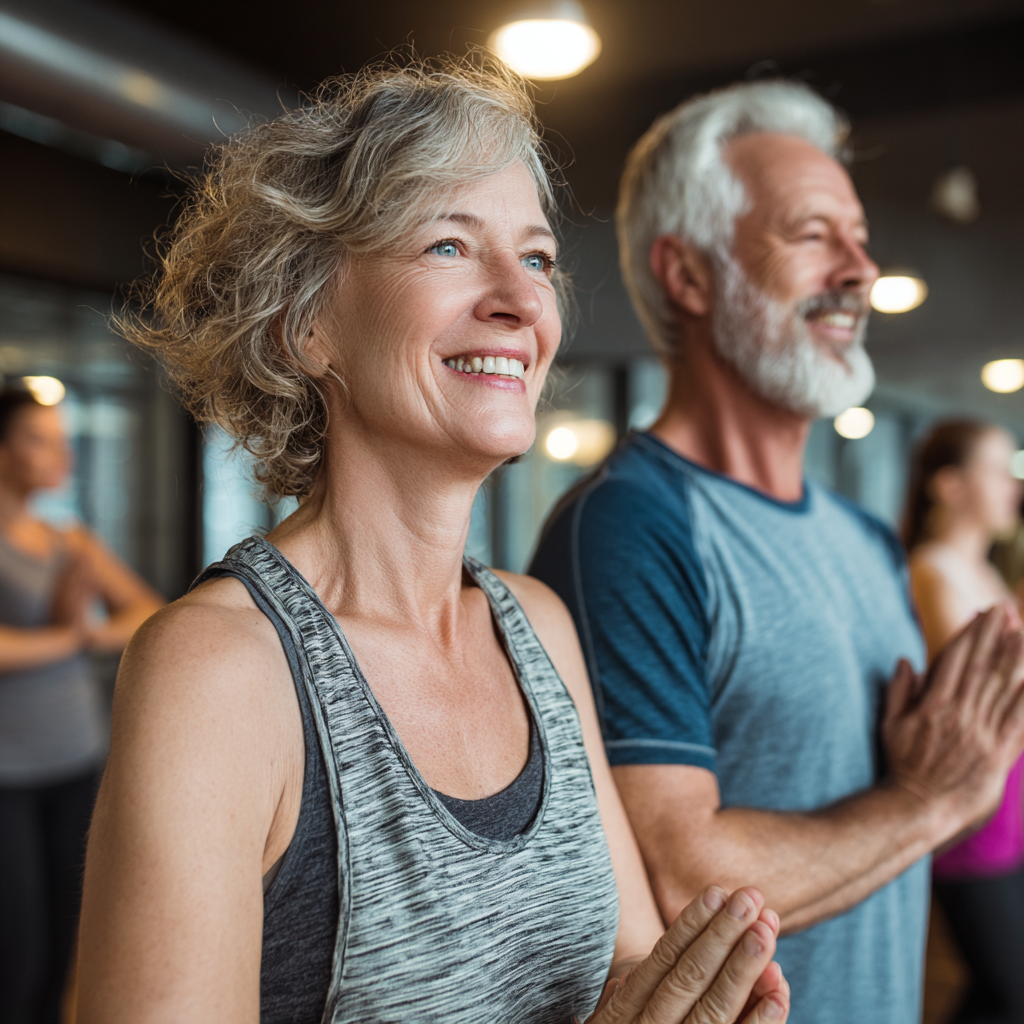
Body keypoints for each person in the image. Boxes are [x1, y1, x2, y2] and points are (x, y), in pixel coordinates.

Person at [76, 60, 792, 1024]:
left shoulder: (536, 627)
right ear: (304, 322)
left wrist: (694, 1000)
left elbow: (621, 966)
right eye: (450, 245)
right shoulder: (219, 671)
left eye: (536, 258)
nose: (519, 301)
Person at [529, 80, 1024, 1024]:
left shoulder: (869, 540)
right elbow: (685, 888)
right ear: (690, 274)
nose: (861, 268)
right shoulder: (630, 525)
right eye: (812, 234)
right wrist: (929, 800)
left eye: (860, 235)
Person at [0, 387, 163, 1024]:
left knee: (67, 946)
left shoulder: (67, 539)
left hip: (77, 756)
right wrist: (67, 637)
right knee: (18, 947)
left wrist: (89, 632)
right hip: (7, 773)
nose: (62, 452)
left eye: (64, 439)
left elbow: (149, 610)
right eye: (41, 439)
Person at [905, 419, 1024, 1023]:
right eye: (999, 470)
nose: (1013, 487)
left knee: (1006, 985)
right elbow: (986, 694)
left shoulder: (990, 574)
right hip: (971, 811)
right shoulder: (933, 569)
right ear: (950, 485)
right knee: (1007, 986)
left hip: (1010, 799)